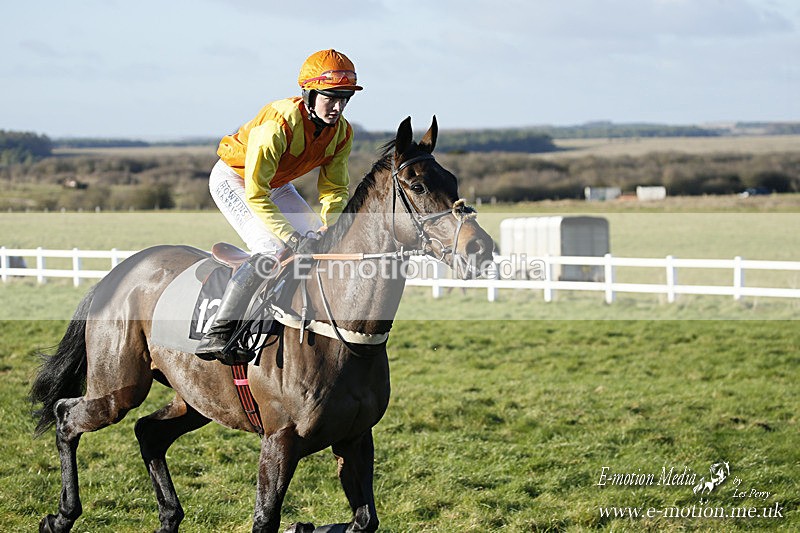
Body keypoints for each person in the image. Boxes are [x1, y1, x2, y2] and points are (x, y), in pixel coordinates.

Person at [195, 49, 362, 362]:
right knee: (273, 248)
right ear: (309, 95)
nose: (338, 107)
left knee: (323, 243)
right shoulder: (277, 125)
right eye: (331, 98)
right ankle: (219, 330)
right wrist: (292, 236)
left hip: (275, 184)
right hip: (237, 180)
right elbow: (256, 193)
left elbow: (335, 187)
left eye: (345, 99)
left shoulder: (342, 133)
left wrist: (329, 224)